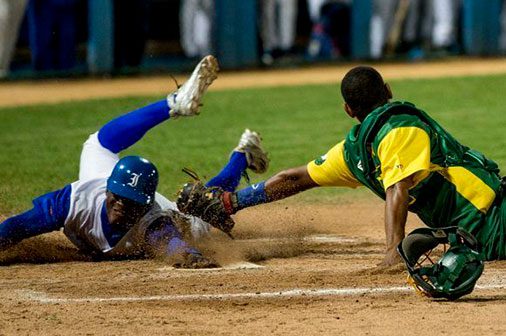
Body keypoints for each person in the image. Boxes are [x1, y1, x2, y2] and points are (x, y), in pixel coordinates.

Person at [178, 65, 505, 267]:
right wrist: (230, 204)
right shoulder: (383, 136)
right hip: (490, 222)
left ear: (348, 109)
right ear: (388, 91)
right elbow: (394, 190)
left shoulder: (362, 149)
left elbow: (297, 179)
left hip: (483, 225)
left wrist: (233, 202)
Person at [0, 55, 269, 268]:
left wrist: (189, 255)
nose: (120, 206)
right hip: (105, 182)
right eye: (116, 197)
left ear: (144, 206)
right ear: (108, 190)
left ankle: (242, 156)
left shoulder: (155, 221)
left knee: (202, 205)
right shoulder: (73, 201)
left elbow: (172, 245)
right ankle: (174, 103)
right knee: (98, 142)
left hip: (168, 213)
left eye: (129, 203)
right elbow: (19, 225)